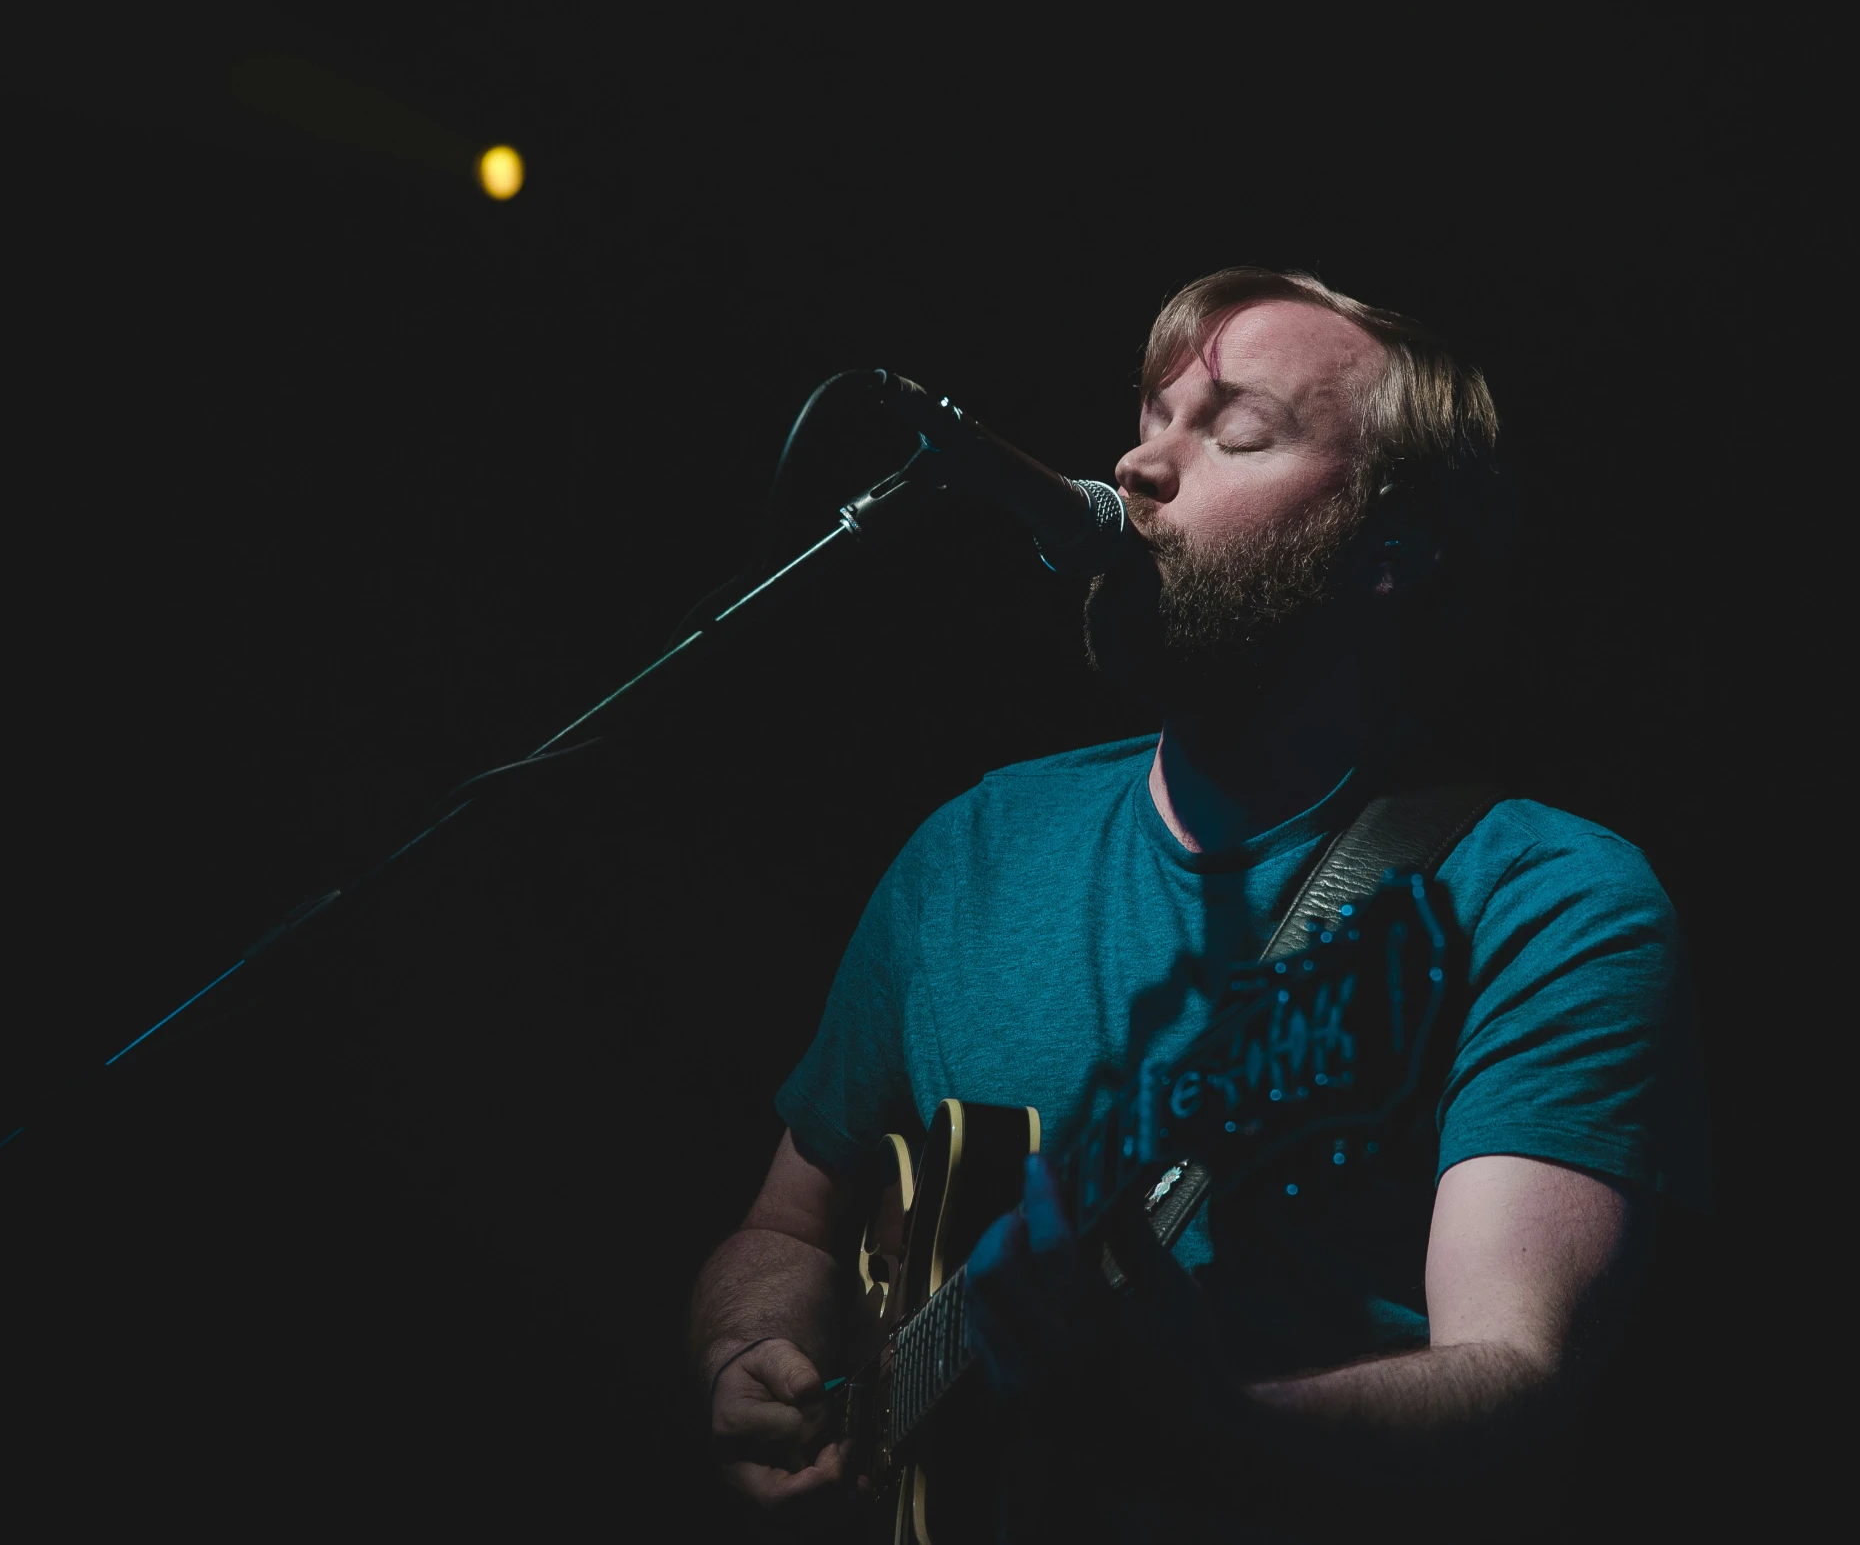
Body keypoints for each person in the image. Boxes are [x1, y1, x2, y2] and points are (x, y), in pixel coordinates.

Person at [686, 267, 1711, 1539]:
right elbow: (785, 1227)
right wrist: (749, 1362)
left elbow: (1513, 1383)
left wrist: (1193, 1413)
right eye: (1151, 417)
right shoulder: (977, 847)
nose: (1137, 466)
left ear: (1389, 550)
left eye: (1232, 433)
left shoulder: (1539, 900)